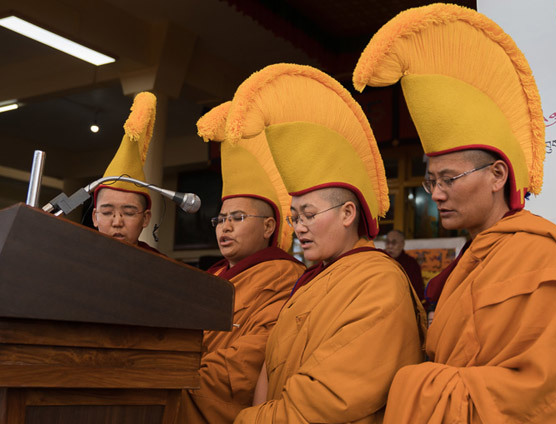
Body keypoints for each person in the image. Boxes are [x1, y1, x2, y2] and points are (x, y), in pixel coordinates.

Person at [354, 4, 556, 423]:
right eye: (431, 181)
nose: (437, 194)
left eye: (449, 178)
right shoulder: (469, 261)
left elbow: (552, 393)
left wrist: (411, 384)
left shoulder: (540, 259)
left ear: (497, 175)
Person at [222, 63, 425, 424]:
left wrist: (250, 420)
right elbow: (270, 368)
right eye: (295, 216)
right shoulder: (311, 280)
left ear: (348, 213)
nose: (299, 228)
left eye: (309, 215)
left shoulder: (378, 281)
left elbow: (331, 400)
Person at [177, 102, 305, 423]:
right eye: (220, 219)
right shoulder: (214, 274)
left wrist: (184, 372)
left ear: (268, 226)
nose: (225, 227)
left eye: (237, 217)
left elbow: (258, 352)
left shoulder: (285, 276)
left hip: (202, 386)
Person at [91, 91, 159, 254]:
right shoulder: (75, 258)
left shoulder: (161, 268)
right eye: (107, 212)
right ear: (95, 217)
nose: (117, 222)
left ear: (146, 218)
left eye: (128, 213)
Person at [384, 229, 425, 304]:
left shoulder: (411, 264)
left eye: (394, 243)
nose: (390, 246)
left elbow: (417, 292)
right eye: (387, 242)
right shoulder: (380, 260)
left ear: (402, 244)